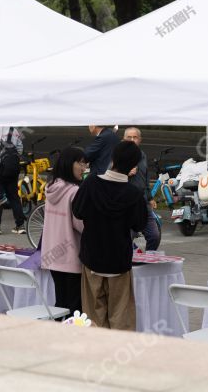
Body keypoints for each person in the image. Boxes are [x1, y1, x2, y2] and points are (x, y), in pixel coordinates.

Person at [72, 141, 148, 330]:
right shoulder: (134, 193)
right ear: (133, 166)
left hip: (92, 258)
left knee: (92, 318)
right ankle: (118, 357)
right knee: (121, 318)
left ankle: (96, 356)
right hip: (118, 261)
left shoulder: (91, 183)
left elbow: (78, 211)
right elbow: (140, 224)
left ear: (112, 158)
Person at [41, 147, 88, 316]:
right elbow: (81, 224)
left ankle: (57, 338)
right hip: (70, 255)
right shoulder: (74, 191)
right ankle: (70, 340)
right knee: (75, 307)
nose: (84, 168)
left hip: (53, 255)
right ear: (69, 164)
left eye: (85, 164)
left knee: (60, 303)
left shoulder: (51, 187)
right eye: (80, 163)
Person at [123, 127, 160, 251]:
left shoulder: (143, 155)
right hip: (126, 205)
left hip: (143, 204)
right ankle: (130, 263)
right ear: (124, 139)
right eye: (129, 137)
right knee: (127, 237)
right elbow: (109, 174)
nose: (132, 140)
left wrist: (150, 198)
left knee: (154, 236)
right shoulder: (117, 155)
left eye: (135, 137)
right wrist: (125, 173)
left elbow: (146, 178)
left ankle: (148, 262)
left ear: (140, 140)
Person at [0, 127, 26, 235]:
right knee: (14, 197)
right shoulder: (14, 130)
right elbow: (20, 148)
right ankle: (20, 226)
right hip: (13, 169)